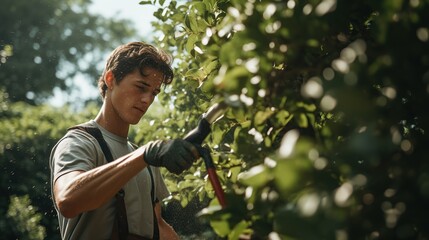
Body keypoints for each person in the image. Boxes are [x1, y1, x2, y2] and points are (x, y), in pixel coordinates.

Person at [49, 42, 199, 240]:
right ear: (110, 79)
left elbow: (158, 227)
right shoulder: (80, 142)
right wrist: (143, 155)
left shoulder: (146, 159)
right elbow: (68, 200)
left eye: (154, 93)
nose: (147, 100)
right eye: (140, 87)